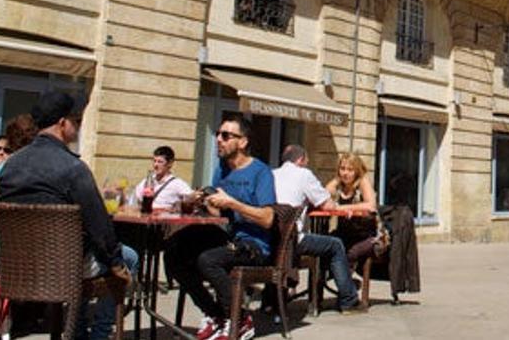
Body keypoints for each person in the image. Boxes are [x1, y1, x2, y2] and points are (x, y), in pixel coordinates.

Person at [0, 91, 137, 340]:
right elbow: (100, 227)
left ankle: (77, 331)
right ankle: (97, 335)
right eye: (77, 122)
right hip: (65, 269)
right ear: (62, 124)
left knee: (89, 252)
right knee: (129, 257)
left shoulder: (9, 167)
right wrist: (115, 263)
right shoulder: (73, 168)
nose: (79, 128)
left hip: (17, 268)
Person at [165, 113, 275, 340]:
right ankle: (215, 313)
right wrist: (202, 202)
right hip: (230, 237)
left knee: (208, 260)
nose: (219, 139)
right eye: (218, 134)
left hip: (255, 245)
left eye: (226, 135)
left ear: (243, 142)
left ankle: (240, 319)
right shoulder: (221, 169)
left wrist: (232, 203)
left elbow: (267, 219)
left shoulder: (260, 171)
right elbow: (219, 212)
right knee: (174, 251)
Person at [272, 145, 360, 312]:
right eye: (307, 162)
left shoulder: (271, 174)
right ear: (300, 160)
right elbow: (327, 204)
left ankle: (272, 300)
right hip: (293, 240)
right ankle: (349, 299)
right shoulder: (304, 174)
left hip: (272, 239)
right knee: (335, 245)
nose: (307, 165)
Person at [325, 152, 379, 266]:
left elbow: (371, 205)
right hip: (344, 233)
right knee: (323, 248)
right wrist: (336, 180)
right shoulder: (340, 184)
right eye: (342, 168)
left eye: (350, 170)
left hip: (366, 236)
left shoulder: (362, 182)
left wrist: (343, 208)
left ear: (357, 171)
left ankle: (348, 283)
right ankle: (321, 282)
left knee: (350, 254)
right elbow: (324, 194)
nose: (345, 173)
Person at [132, 146, 193, 213]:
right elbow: (136, 199)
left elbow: (191, 199)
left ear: (170, 163)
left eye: (160, 162)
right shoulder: (147, 181)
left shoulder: (177, 184)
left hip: (164, 221)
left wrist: (178, 206)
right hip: (146, 219)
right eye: (154, 161)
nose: (155, 165)